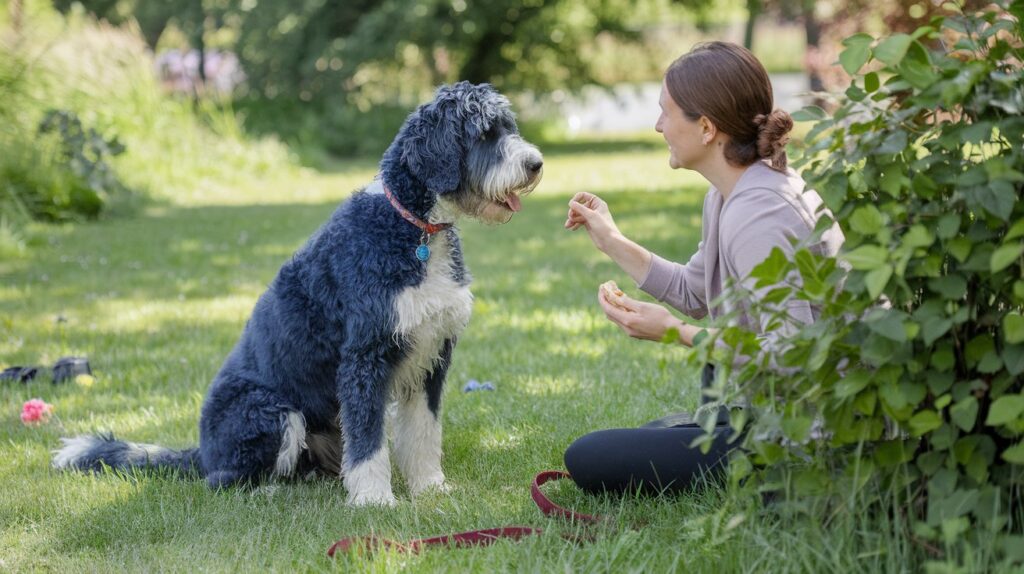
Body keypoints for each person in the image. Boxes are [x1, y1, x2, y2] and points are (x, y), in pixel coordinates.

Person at [562, 41, 844, 495]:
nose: (658, 126)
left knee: (590, 456)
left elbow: (794, 354)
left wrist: (675, 332)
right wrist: (611, 241)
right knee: (654, 433)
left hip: (813, 439)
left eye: (666, 113)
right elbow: (697, 291)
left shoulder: (759, 213)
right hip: (776, 415)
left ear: (707, 127)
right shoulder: (731, 193)